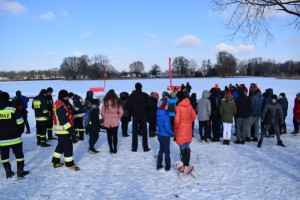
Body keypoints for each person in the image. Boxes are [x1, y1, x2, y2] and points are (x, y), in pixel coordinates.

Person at [0, 92, 29, 179]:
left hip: (1, 139)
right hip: (15, 137)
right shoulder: (13, 107)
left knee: (4, 156)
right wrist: (20, 131)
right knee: (19, 155)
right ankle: (20, 171)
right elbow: (20, 121)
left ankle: (8, 172)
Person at [52, 90, 79, 170]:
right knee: (68, 147)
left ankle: (56, 161)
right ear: (63, 97)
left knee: (60, 145)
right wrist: (71, 130)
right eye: (66, 97)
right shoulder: (61, 106)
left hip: (60, 130)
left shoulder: (58, 103)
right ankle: (69, 164)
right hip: (64, 130)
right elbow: (63, 120)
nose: (67, 98)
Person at [174, 91, 197, 173]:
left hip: (180, 129)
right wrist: (188, 122)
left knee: (182, 146)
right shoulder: (189, 105)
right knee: (187, 145)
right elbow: (194, 116)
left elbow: (176, 121)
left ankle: (184, 165)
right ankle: (187, 164)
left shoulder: (178, 107)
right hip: (188, 129)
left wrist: (176, 127)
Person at [127, 83, 151, 152]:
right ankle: (145, 148)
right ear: (141, 87)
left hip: (135, 115)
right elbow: (149, 105)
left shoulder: (132, 96)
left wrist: (132, 111)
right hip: (143, 115)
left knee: (135, 131)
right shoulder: (145, 95)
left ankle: (134, 148)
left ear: (135, 87)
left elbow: (128, 106)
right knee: (144, 131)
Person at [101, 89, 124, 154]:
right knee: (115, 135)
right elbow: (121, 111)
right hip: (115, 120)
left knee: (109, 135)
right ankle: (115, 148)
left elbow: (102, 111)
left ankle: (111, 148)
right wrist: (118, 117)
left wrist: (104, 118)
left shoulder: (105, 101)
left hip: (107, 119)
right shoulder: (118, 101)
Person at [156, 100, 174, 171]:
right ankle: (167, 166)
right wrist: (172, 133)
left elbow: (157, 124)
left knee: (161, 150)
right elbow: (167, 128)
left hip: (160, 134)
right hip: (165, 136)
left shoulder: (158, 114)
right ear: (163, 107)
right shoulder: (165, 116)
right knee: (167, 151)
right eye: (166, 105)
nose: (167, 106)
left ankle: (159, 164)